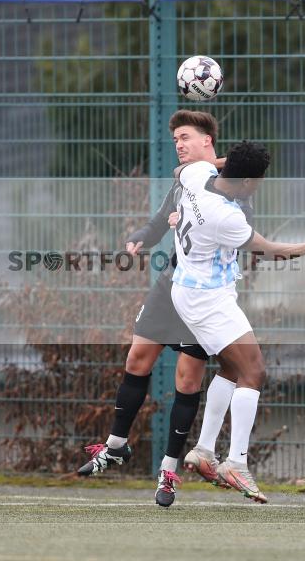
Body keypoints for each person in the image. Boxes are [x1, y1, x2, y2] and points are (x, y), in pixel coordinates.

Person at [76, 110, 245, 508]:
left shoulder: (231, 187)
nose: (180, 145)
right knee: (137, 358)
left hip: (205, 297)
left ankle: (168, 472)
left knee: (187, 381)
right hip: (171, 284)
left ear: (207, 140)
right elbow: (159, 222)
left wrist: (189, 217)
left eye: (185, 137)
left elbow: (234, 236)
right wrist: (142, 236)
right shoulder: (185, 177)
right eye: (175, 140)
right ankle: (116, 446)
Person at [171, 141, 305, 504]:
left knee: (233, 368)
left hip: (188, 290)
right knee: (254, 371)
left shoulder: (196, 174)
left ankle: (203, 450)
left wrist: (228, 162)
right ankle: (236, 462)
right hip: (208, 299)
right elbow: (269, 251)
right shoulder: (226, 216)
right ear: (250, 181)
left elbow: (184, 169)